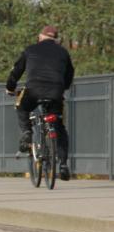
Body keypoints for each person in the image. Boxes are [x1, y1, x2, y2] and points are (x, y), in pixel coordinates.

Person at [6, 25, 74, 180]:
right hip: (55, 92)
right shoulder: (63, 52)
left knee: (21, 107)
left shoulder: (30, 50)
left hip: (33, 90)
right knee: (59, 126)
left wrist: (10, 88)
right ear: (55, 39)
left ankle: (27, 133)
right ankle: (63, 164)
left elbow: (16, 71)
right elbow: (69, 74)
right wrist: (62, 88)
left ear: (40, 37)